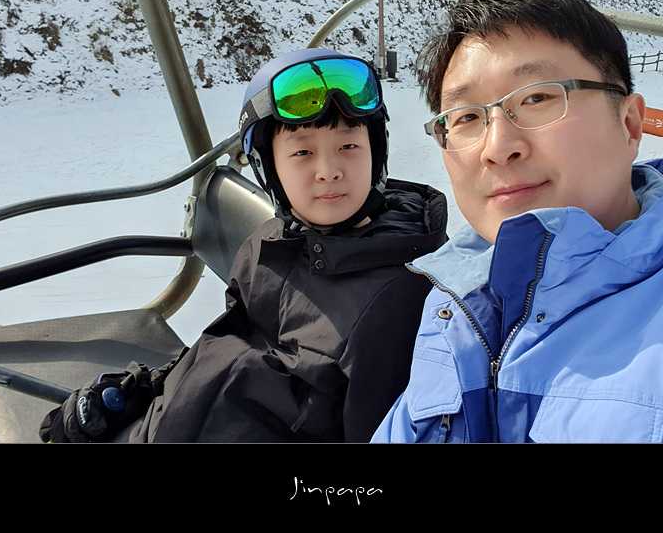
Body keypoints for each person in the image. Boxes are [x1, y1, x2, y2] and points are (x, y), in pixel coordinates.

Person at [371, 0, 663, 443]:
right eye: (466, 117)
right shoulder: (454, 304)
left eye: (537, 98)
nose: (498, 147)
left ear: (629, 124)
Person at [40, 48, 448, 442]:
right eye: (303, 152)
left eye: (348, 146)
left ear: (376, 151)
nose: (329, 171)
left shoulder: (399, 300)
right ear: (268, 168)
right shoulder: (269, 245)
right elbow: (220, 348)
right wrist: (143, 391)